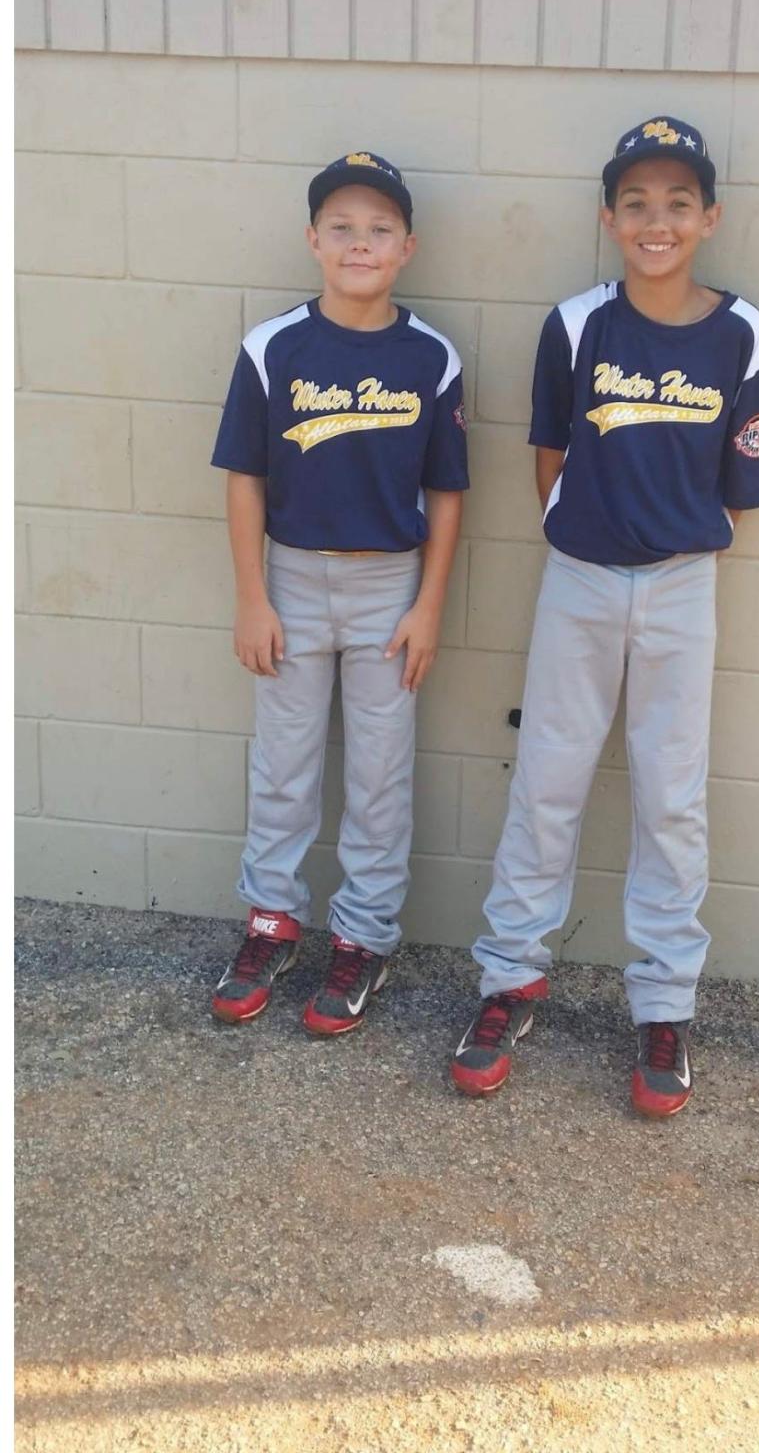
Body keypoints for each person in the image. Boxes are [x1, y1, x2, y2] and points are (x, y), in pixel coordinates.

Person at [451, 116, 759, 1116]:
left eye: (679, 202)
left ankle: (664, 1003)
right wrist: (574, 526)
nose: (657, 220)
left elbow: (743, 485)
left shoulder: (741, 332)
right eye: (636, 201)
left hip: (683, 581)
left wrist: (681, 536)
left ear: (710, 216)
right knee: (548, 777)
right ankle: (510, 979)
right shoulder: (577, 321)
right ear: (608, 216)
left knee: (671, 794)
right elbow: (547, 451)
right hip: (581, 578)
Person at [210, 152, 468, 1034]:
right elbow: (244, 476)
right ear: (313, 240)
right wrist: (253, 595)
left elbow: (448, 491)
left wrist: (428, 603)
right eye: (343, 227)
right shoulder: (275, 345)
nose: (361, 242)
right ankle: (271, 921)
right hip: (291, 577)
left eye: (380, 228)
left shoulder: (430, 356)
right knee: (282, 767)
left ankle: (362, 937)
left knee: (379, 774)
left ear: (408, 247)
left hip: (389, 588)